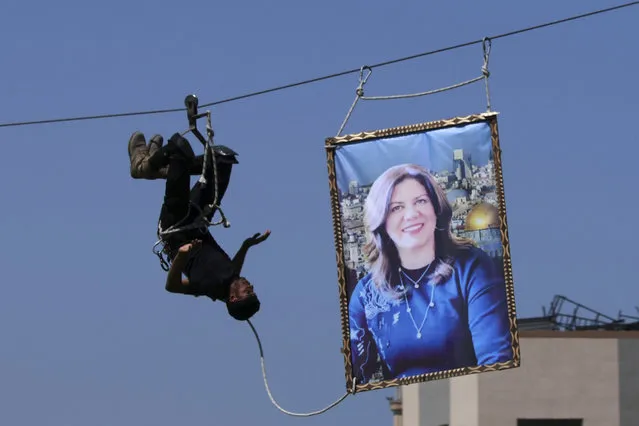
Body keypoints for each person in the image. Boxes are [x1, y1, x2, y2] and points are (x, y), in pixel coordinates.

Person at [348, 163, 512, 384]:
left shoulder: (471, 268)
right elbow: (355, 375)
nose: (411, 214)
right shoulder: (366, 294)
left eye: (421, 201)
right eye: (396, 208)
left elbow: (496, 361)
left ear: (437, 209)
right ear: (382, 222)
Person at [128, 131, 270, 321]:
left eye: (248, 293)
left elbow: (172, 286)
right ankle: (168, 168)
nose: (251, 287)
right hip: (197, 219)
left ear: (234, 298)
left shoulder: (208, 286)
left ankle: (142, 166)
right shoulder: (229, 279)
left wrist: (182, 255)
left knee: (180, 147)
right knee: (223, 158)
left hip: (176, 226)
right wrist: (246, 246)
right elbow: (234, 269)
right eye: (253, 291)